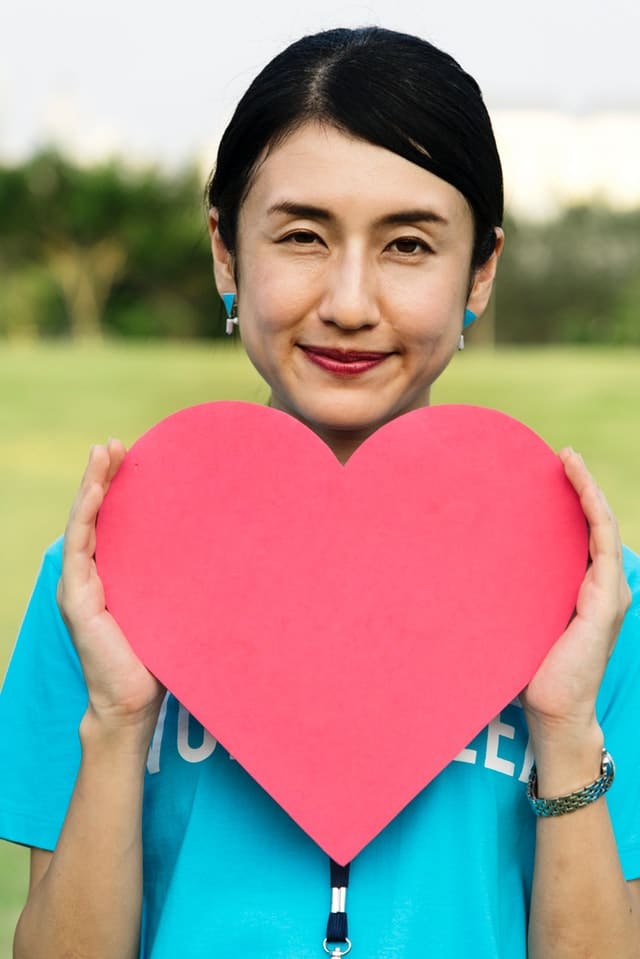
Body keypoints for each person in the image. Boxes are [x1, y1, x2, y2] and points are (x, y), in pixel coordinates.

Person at [1, 25, 639, 959]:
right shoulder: (99, 586)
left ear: (481, 271)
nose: (348, 301)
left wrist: (567, 728)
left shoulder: (593, 601)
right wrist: (118, 720)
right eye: (302, 236)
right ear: (226, 253)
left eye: (409, 244)